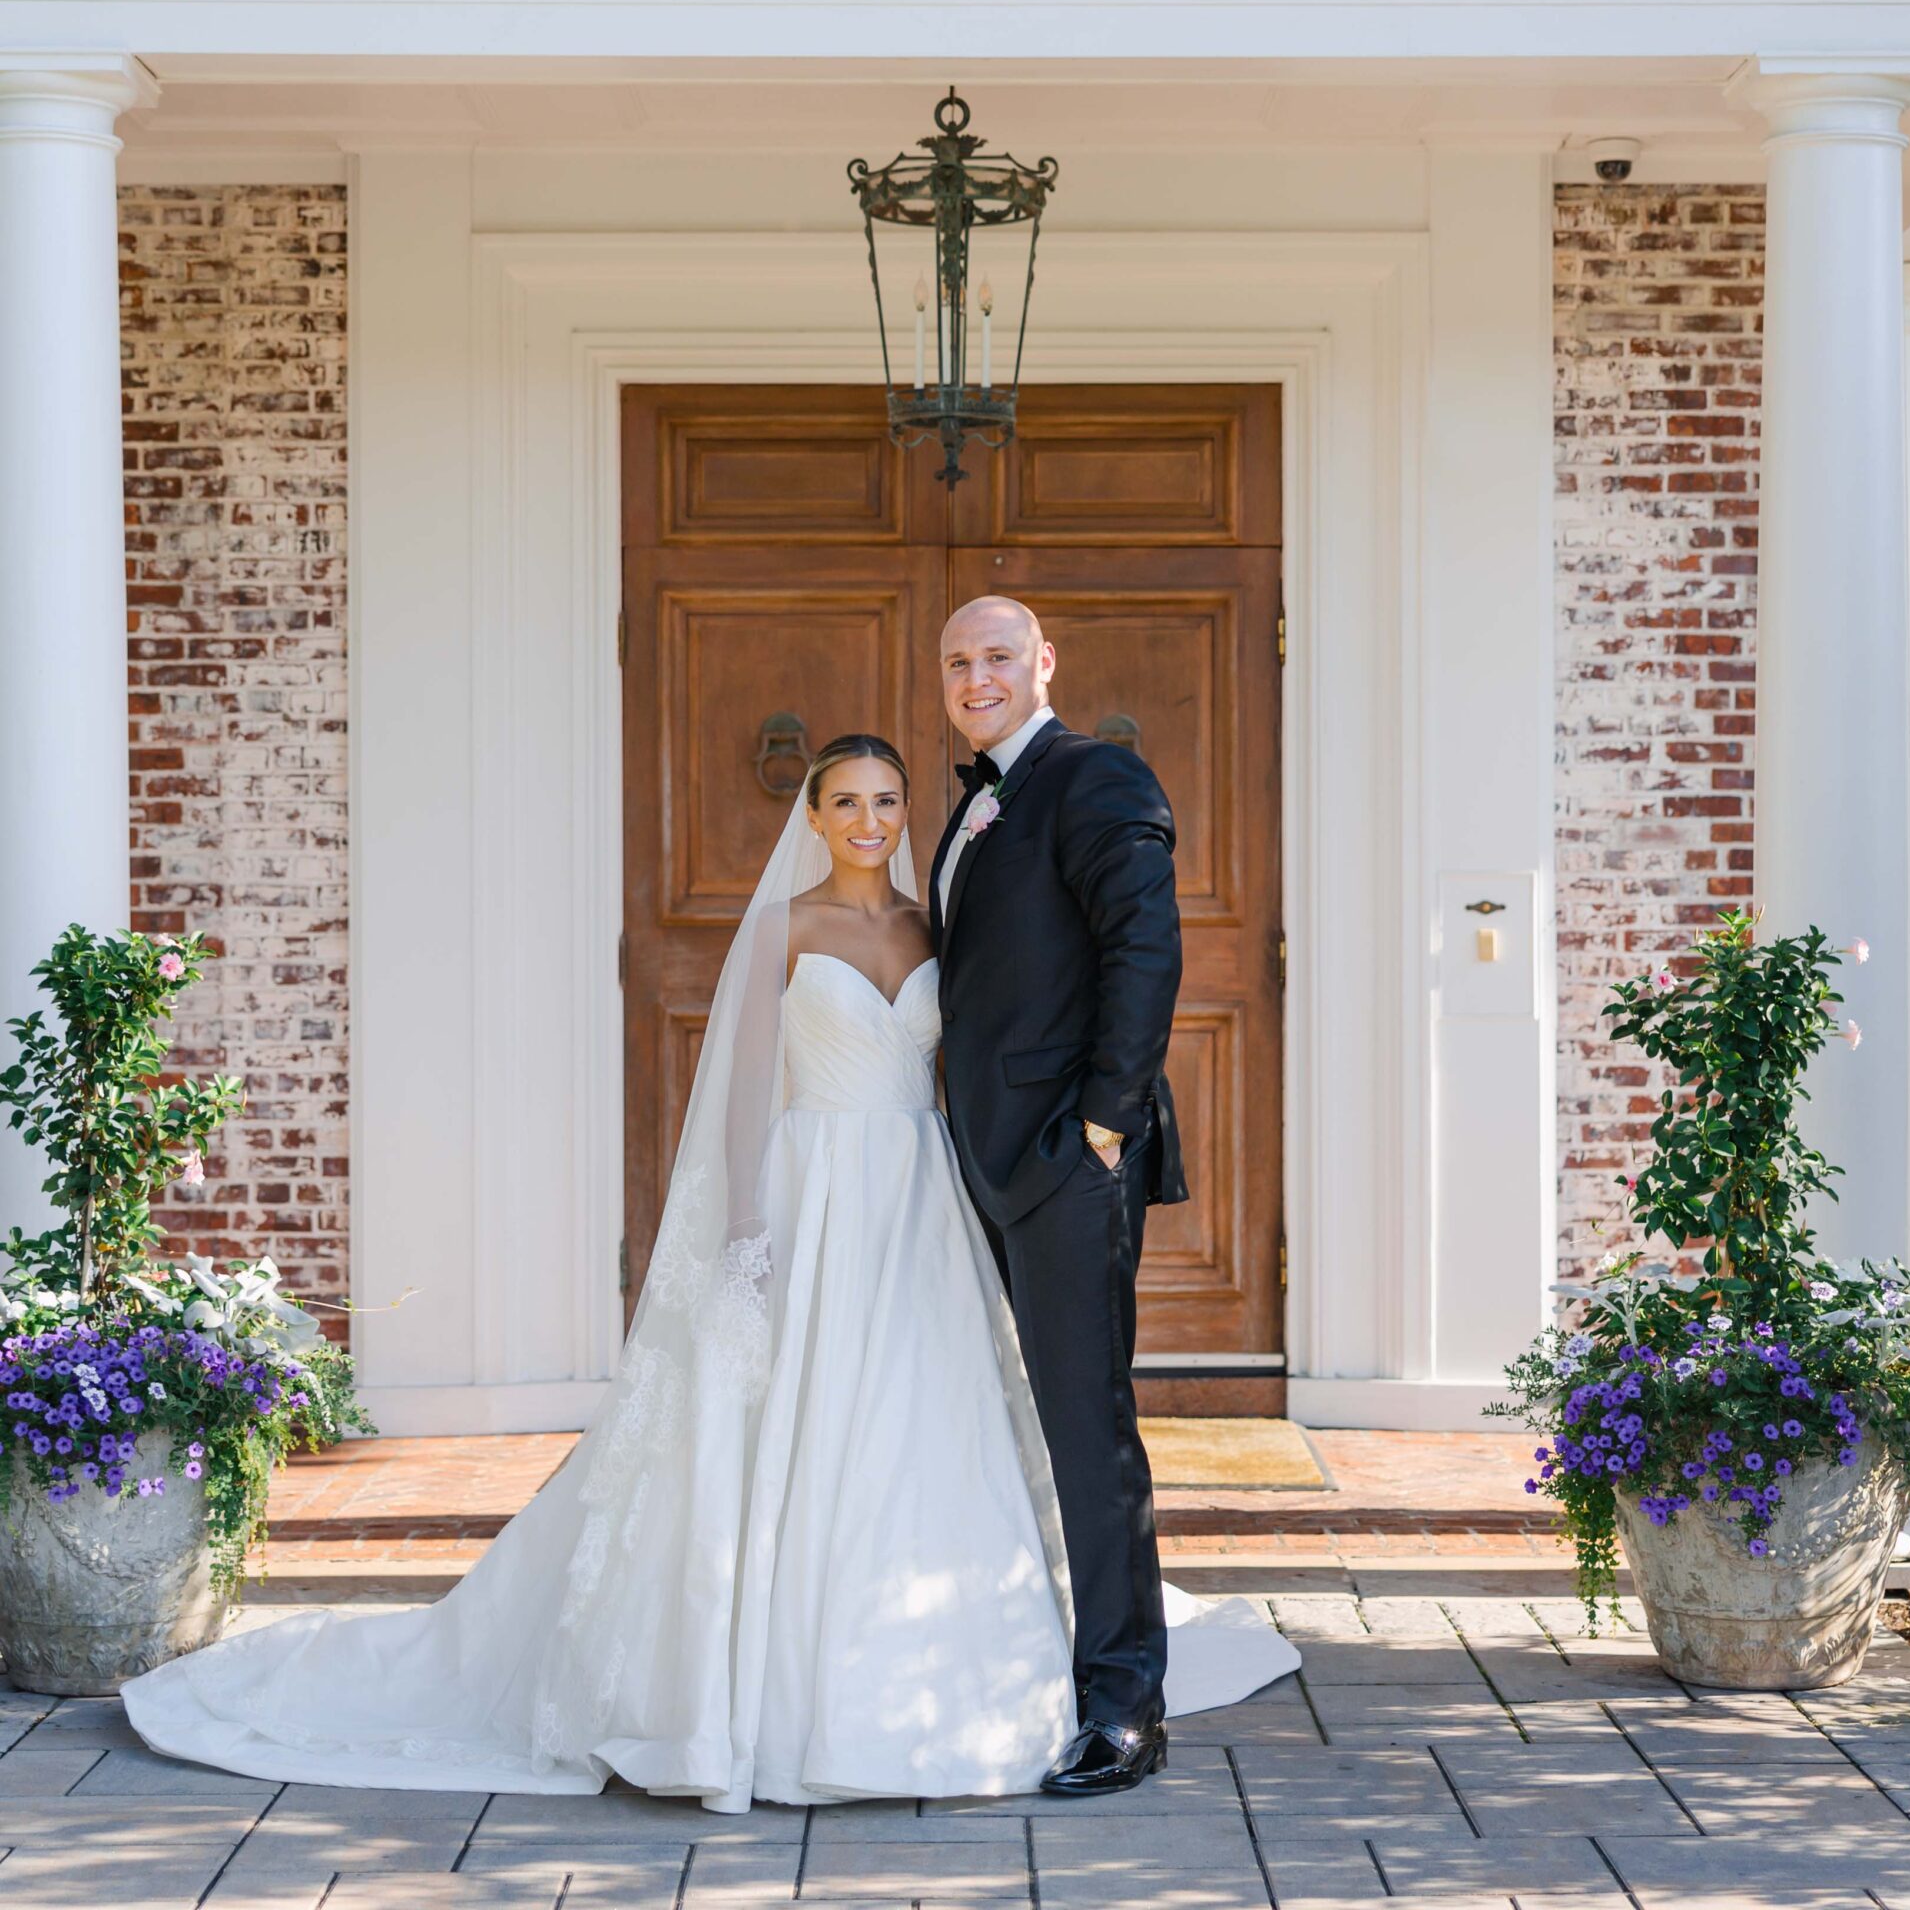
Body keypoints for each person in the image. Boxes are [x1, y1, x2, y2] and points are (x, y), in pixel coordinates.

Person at [122, 733, 1294, 1806]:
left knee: (924, 1412)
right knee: (796, 1416)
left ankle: (949, 1660)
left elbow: (1015, 1019)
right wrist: (746, 1220)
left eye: (888, 798)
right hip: (809, 1185)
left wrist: (1086, 1128)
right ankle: (767, 1683)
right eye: (848, 801)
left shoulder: (937, 925)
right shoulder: (784, 929)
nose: (872, 818)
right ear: (817, 814)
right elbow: (739, 1094)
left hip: (918, 1197)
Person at [932, 598, 1185, 1795]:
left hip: (1065, 1160)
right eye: (957, 662)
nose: (976, 677)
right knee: (1013, 1426)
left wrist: (1103, 1124)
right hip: (980, 1156)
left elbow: (1146, 951)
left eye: (997, 657)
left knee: (1089, 1430)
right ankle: (1039, 1650)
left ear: (1043, 664)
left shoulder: (1096, 777)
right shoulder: (978, 797)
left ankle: (1125, 1704)